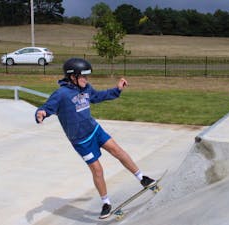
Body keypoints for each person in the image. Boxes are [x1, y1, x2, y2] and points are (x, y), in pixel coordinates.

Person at [35, 58, 156, 219]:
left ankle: (143, 178)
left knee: (117, 150)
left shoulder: (86, 89)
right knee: (97, 170)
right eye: (83, 76)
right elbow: (47, 107)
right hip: (80, 141)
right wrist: (41, 113)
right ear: (73, 77)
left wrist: (117, 89)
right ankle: (106, 202)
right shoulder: (61, 94)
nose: (86, 79)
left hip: (95, 130)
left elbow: (98, 96)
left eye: (87, 76)